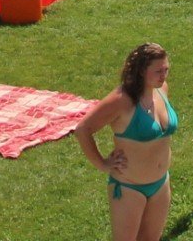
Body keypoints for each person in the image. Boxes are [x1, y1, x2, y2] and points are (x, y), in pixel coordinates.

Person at [74, 42, 176, 241]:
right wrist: (103, 164)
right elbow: (83, 129)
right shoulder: (122, 100)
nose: (163, 75)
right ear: (141, 72)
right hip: (129, 187)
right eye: (158, 71)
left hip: (160, 183)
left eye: (166, 69)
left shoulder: (161, 89)